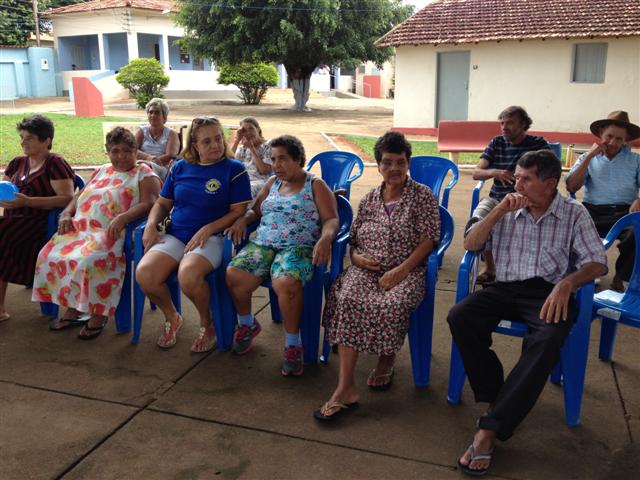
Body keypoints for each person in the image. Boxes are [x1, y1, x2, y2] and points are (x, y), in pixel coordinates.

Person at [448, 150, 607, 476]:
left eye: (525, 179)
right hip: (505, 288)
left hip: (548, 292)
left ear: (549, 184)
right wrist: (497, 212)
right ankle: (497, 395)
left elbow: (597, 262)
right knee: (460, 317)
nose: (516, 185)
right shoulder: (501, 206)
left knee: (547, 339)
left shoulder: (574, 213)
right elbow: (471, 245)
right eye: (516, 177)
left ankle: (489, 429)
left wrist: (568, 282)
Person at [313, 131, 440, 421]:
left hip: (407, 270)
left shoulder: (422, 196)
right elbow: (354, 238)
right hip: (367, 268)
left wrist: (400, 271)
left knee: (391, 304)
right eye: (387, 162)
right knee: (347, 297)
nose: (394, 168)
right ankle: (345, 387)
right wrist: (356, 257)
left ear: (408, 163)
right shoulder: (370, 198)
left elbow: (429, 240)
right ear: (379, 165)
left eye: (400, 162)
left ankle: (386, 358)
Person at [135, 116, 251, 353]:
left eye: (218, 138)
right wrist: (151, 225)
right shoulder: (180, 167)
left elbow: (238, 211)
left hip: (213, 238)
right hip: (177, 234)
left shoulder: (234, 169)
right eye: (207, 141)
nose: (215, 145)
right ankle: (172, 316)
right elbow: (163, 203)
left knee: (188, 275)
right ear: (195, 145)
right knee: (145, 273)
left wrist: (208, 228)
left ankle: (207, 324)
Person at [225, 135, 338, 376]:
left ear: (298, 159)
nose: (276, 165)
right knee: (234, 274)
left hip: (297, 247)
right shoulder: (272, 183)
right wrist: (243, 220)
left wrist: (326, 238)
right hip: (264, 244)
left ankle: (293, 344)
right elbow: (256, 211)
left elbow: (331, 219)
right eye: (273, 159)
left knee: (285, 283)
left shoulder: (315, 185)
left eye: (283, 159)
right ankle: (247, 324)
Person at [32, 127, 161, 339]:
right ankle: (75, 307)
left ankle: (98, 313)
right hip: (80, 231)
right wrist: (66, 213)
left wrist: (123, 218)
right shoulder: (102, 170)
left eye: (127, 151)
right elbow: (78, 196)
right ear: (108, 151)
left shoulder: (144, 173)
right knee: (49, 255)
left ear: (135, 151)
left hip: (111, 233)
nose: (121, 156)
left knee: (89, 261)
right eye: (115, 151)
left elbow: (150, 203)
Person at [0, 115, 75, 323]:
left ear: (46, 140)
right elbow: (5, 189)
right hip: (12, 221)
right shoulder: (17, 163)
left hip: (40, 223)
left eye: (29, 138)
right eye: (22, 137)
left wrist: (28, 202)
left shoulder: (55, 163)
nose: (23, 142)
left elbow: (67, 198)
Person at [469, 106, 550, 283]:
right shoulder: (497, 143)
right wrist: (495, 172)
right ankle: (490, 267)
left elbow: (549, 174)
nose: (504, 127)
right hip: (497, 198)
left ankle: (521, 269)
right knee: (481, 218)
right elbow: (476, 172)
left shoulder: (538, 145)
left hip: (526, 200)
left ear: (523, 124)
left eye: (510, 123)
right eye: (502, 123)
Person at [566, 110, 640, 292]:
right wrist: (589, 156)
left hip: (625, 212)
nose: (613, 143)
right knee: (570, 230)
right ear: (600, 134)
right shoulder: (587, 158)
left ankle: (621, 276)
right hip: (592, 211)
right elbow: (571, 187)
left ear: (626, 140)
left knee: (637, 232)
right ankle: (585, 274)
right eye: (609, 136)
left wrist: (639, 199)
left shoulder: (635, 160)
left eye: (619, 139)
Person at [135, 98, 180, 180]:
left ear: (164, 117)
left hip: (161, 168)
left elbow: (170, 156)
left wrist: (150, 163)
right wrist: (149, 158)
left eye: (157, 112)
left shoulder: (171, 134)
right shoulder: (141, 131)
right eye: (150, 112)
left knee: (142, 167)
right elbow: (132, 149)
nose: (153, 115)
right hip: (140, 164)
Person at [231, 116, 273, 198]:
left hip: (260, 181)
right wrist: (237, 141)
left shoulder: (269, 144)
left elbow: (264, 170)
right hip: (242, 180)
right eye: (244, 130)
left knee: (243, 191)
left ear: (258, 129)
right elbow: (228, 163)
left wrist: (252, 148)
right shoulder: (243, 148)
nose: (248, 133)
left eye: (251, 128)